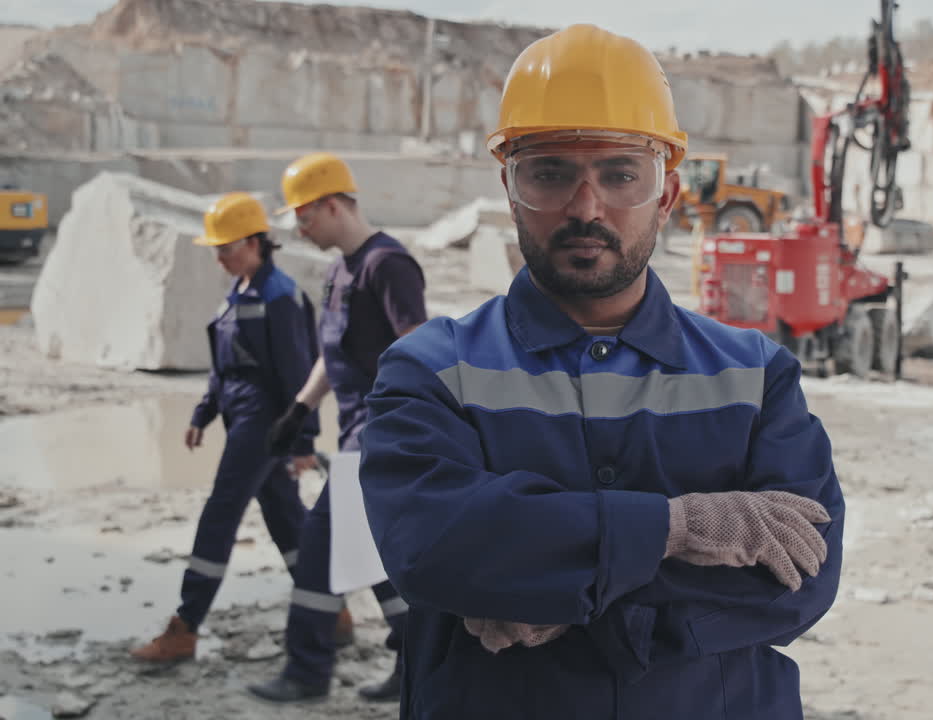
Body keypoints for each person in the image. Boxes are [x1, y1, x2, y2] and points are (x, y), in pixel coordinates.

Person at [357, 24, 845, 719]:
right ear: (509, 186)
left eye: (621, 173)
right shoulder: (432, 370)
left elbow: (803, 575)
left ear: (668, 194)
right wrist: (676, 529)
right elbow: (436, 553)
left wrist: (562, 589)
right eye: (549, 172)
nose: (586, 206)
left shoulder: (755, 374)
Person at [129, 192, 347, 662]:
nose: (219, 257)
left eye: (226, 248)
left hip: (264, 427)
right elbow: (226, 368)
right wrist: (203, 413)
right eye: (216, 248)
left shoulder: (279, 297)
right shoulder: (241, 292)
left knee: (219, 515)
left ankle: (185, 626)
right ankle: (332, 610)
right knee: (286, 519)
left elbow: (298, 373)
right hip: (243, 419)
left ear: (253, 242)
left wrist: (302, 441)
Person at [247, 152, 427, 704]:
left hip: (378, 438)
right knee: (371, 557)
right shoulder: (340, 271)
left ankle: (306, 671)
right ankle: (416, 661)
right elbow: (334, 351)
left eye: (304, 215)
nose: (299, 228)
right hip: (352, 432)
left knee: (321, 550)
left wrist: (399, 441)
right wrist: (300, 409)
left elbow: (419, 353)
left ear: (332, 204)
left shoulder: (387, 266)